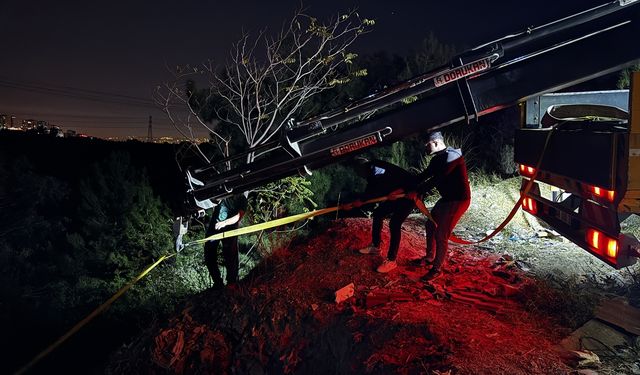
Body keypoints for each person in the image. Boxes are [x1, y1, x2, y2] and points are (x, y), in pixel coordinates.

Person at [415, 131, 471, 281]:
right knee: (430, 225)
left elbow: (438, 179)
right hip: (446, 199)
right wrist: (409, 185)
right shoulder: (438, 159)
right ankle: (429, 257)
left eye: (427, 145)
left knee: (441, 234)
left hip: (458, 200)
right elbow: (424, 176)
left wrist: (418, 190)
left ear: (435, 142)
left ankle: (436, 269)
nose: (425, 149)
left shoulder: (452, 156)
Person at [351, 157, 417, 273]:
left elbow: (410, 181)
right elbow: (371, 190)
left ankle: (392, 260)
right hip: (395, 197)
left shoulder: (377, 168)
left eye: (357, 172)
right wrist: (360, 200)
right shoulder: (371, 172)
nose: (358, 175)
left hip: (408, 196)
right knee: (378, 214)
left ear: (362, 168)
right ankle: (375, 246)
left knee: (394, 224)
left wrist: (400, 190)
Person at [203, 192, 249, 289]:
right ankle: (218, 282)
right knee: (209, 252)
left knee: (231, 254)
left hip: (230, 229)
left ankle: (232, 282)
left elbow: (238, 216)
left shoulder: (242, 200)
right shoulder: (224, 193)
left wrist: (225, 223)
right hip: (215, 227)